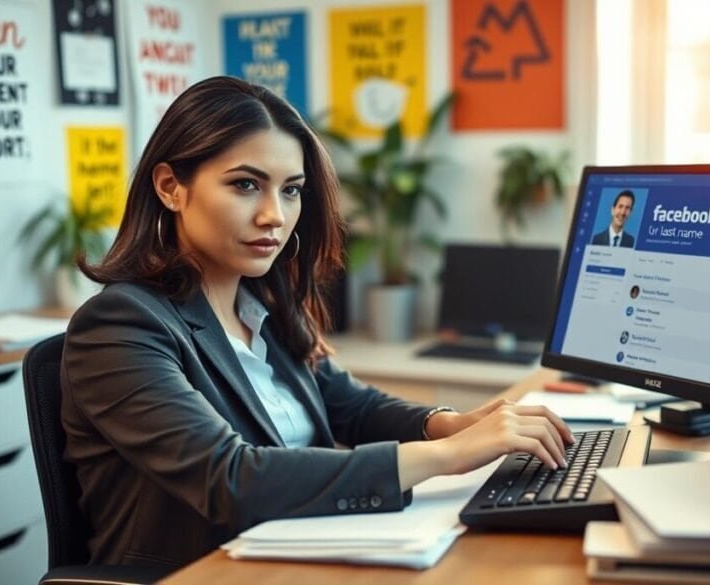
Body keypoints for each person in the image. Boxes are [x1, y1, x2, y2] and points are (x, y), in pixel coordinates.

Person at [61, 77, 573, 571]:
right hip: (204, 571)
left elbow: (351, 405)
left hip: (293, 550)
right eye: (246, 185)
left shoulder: (261, 300)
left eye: (291, 190)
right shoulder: (118, 325)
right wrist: (448, 454)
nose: (274, 216)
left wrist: (453, 423)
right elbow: (229, 479)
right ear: (171, 187)